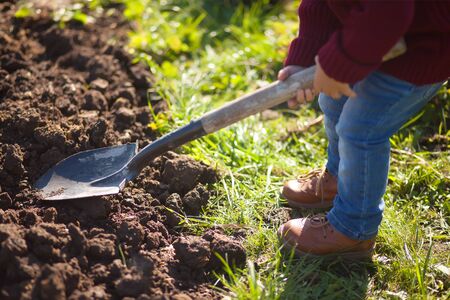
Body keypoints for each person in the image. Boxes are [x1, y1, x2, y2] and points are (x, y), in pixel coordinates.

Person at [277, 0, 450, 259]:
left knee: (361, 129)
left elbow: (390, 11)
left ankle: (354, 228)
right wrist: (305, 57)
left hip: (422, 49)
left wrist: (338, 62)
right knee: (332, 100)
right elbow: (321, 5)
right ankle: (338, 180)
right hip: (370, 39)